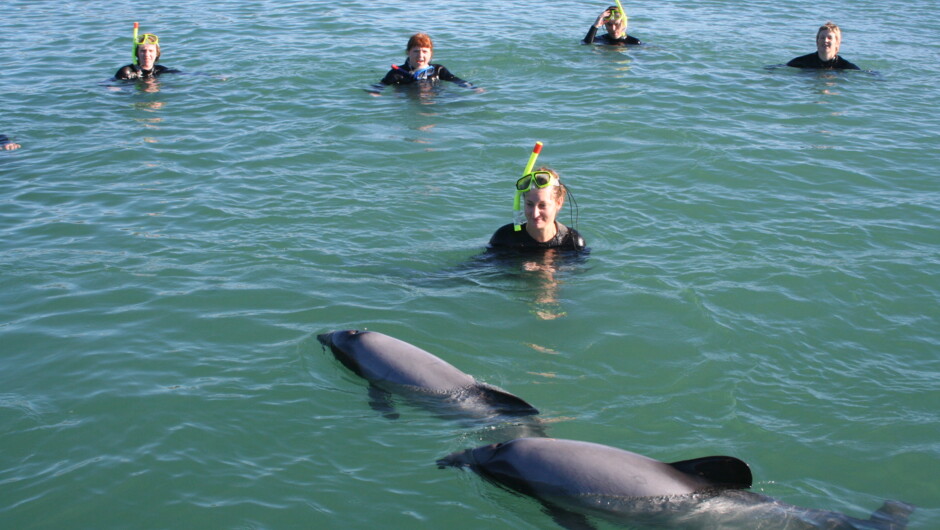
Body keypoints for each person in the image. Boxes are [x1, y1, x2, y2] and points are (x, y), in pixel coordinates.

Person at [489, 168, 586, 252]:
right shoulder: (504, 238)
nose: (535, 214)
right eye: (529, 204)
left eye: (542, 205)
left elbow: (577, 272)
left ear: (558, 203)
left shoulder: (572, 242)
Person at [372, 33, 477, 92]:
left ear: (431, 54)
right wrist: (375, 93)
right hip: (410, 99)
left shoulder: (438, 70)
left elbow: (456, 80)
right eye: (416, 51)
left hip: (436, 96)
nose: (420, 55)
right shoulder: (397, 73)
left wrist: (473, 88)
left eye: (425, 51)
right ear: (408, 52)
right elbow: (380, 85)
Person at [787, 22, 859, 70]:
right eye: (822, 37)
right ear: (817, 41)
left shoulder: (844, 66)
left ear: (837, 42)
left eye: (829, 38)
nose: (825, 40)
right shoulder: (803, 62)